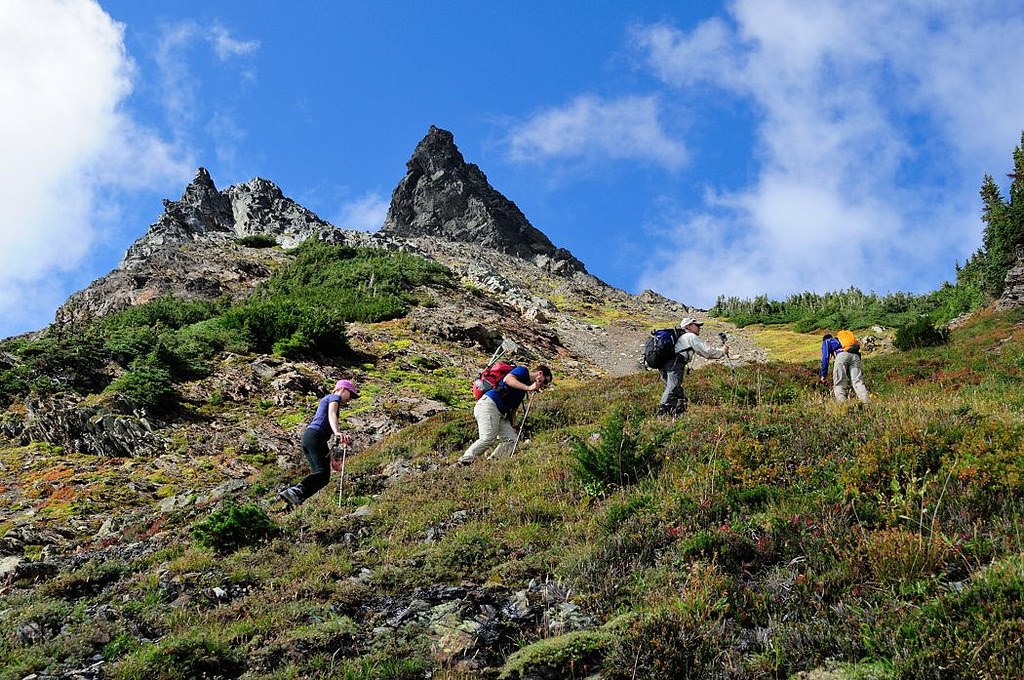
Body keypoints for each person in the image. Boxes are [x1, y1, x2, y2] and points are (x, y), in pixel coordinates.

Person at [279, 379, 359, 507]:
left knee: (322, 476)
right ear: (343, 389)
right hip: (315, 436)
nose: (351, 398)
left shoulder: (327, 399)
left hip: (311, 437)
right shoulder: (334, 397)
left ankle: (296, 499)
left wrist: (331, 460)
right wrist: (338, 432)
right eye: (351, 394)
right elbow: (331, 414)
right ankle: (296, 491)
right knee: (322, 474)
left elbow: (324, 438)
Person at [459, 364, 552, 465]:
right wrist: (528, 388)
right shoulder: (523, 371)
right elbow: (508, 379)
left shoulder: (522, 391)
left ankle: (493, 462)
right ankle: (466, 459)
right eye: (545, 381)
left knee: (512, 440)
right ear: (540, 373)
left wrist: (512, 426)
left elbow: (513, 410)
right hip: (489, 404)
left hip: (500, 412)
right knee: (488, 438)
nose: (544, 385)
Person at [658, 317, 729, 416]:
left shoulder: (681, 337)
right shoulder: (690, 336)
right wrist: (722, 352)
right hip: (676, 363)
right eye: (697, 325)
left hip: (664, 364)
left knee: (675, 389)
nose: (699, 327)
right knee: (673, 388)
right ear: (688, 326)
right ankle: (662, 412)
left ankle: (677, 413)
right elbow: (707, 352)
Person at [820, 333, 869, 403]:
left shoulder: (827, 341)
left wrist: (823, 375)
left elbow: (825, 357)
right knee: (858, 381)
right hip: (855, 356)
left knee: (839, 382)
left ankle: (842, 404)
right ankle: (866, 401)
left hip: (842, 356)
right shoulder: (842, 341)